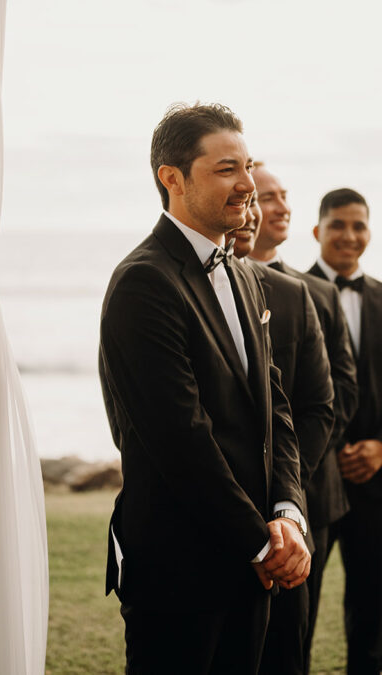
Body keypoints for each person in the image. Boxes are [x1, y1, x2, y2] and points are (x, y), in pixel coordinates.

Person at [98, 103, 311, 674]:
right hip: (179, 566)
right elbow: (180, 438)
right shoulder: (143, 282)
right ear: (173, 178)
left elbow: (277, 411)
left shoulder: (243, 274)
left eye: (247, 167)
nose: (247, 186)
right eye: (225, 170)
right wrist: (262, 543)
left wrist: (289, 514)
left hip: (254, 556)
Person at [250, 164, 360, 673]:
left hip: (306, 494)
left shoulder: (310, 292)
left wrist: (289, 483)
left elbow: (335, 393)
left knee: (293, 640)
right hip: (233, 501)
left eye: (283, 195)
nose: (279, 205)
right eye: (265, 196)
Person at [308, 188, 382, 674]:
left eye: (359, 226)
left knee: (372, 602)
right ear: (317, 231)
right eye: (338, 225)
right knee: (300, 607)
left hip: (378, 477)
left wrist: (381, 446)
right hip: (315, 477)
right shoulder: (287, 289)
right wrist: (327, 453)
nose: (349, 236)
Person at [228, 195, 335, 675]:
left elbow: (314, 405)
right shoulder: (160, 286)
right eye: (249, 198)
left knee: (287, 654)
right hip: (214, 521)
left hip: (288, 518)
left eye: (259, 199)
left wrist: (284, 504)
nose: (252, 212)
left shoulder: (291, 294)